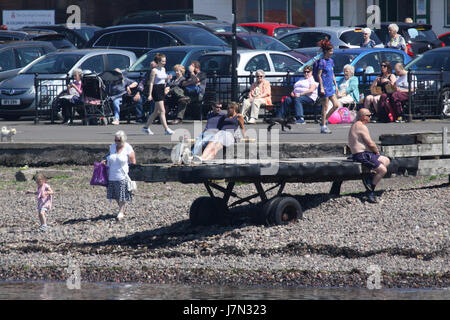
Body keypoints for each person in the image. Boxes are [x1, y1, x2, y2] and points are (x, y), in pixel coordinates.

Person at [348, 108, 390, 203]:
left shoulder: (357, 125)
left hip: (365, 153)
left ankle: (370, 178)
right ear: (363, 117)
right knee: (383, 170)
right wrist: (376, 152)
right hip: (361, 155)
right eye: (369, 115)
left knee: (386, 160)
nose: (370, 117)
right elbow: (370, 143)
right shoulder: (361, 126)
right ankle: (370, 192)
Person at [101, 130, 136, 221]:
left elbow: (133, 161)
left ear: (123, 140)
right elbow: (110, 158)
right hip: (112, 174)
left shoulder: (128, 147)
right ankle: (122, 208)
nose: (116, 142)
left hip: (122, 174)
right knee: (115, 194)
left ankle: (120, 211)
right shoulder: (112, 147)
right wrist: (105, 161)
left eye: (118, 140)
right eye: (115, 140)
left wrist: (132, 175)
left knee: (122, 194)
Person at [142, 53, 174, 135]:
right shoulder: (154, 70)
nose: (164, 62)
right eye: (163, 61)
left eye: (165, 61)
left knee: (156, 112)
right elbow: (151, 83)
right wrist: (150, 94)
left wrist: (168, 78)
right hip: (156, 90)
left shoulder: (163, 69)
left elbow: (164, 80)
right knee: (162, 110)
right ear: (158, 61)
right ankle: (166, 129)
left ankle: (146, 127)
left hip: (162, 89)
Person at [316, 39, 340, 134]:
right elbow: (319, 75)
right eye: (330, 51)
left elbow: (332, 73)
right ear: (326, 51)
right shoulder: (322, 62)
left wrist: (336, 84)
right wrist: (321, 87)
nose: (332, 52)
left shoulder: (331, 61)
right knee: (325, 107)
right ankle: (323, 127)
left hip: (330, 87)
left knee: (336, 105)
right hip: (324, 87)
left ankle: (324, 120)